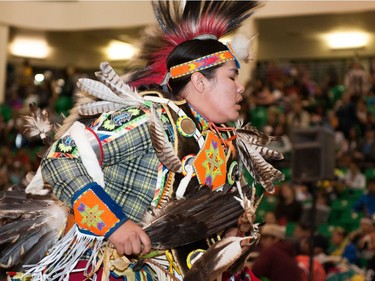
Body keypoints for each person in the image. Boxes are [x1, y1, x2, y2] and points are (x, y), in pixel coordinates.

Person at [0, 1, 286, 281]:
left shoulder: (225, 142)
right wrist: (114, 225)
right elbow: (62, 157)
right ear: (199, 81)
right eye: (232, 76)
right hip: (116, 268)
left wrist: (228, 237)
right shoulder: (150, 119)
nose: (241, 87)